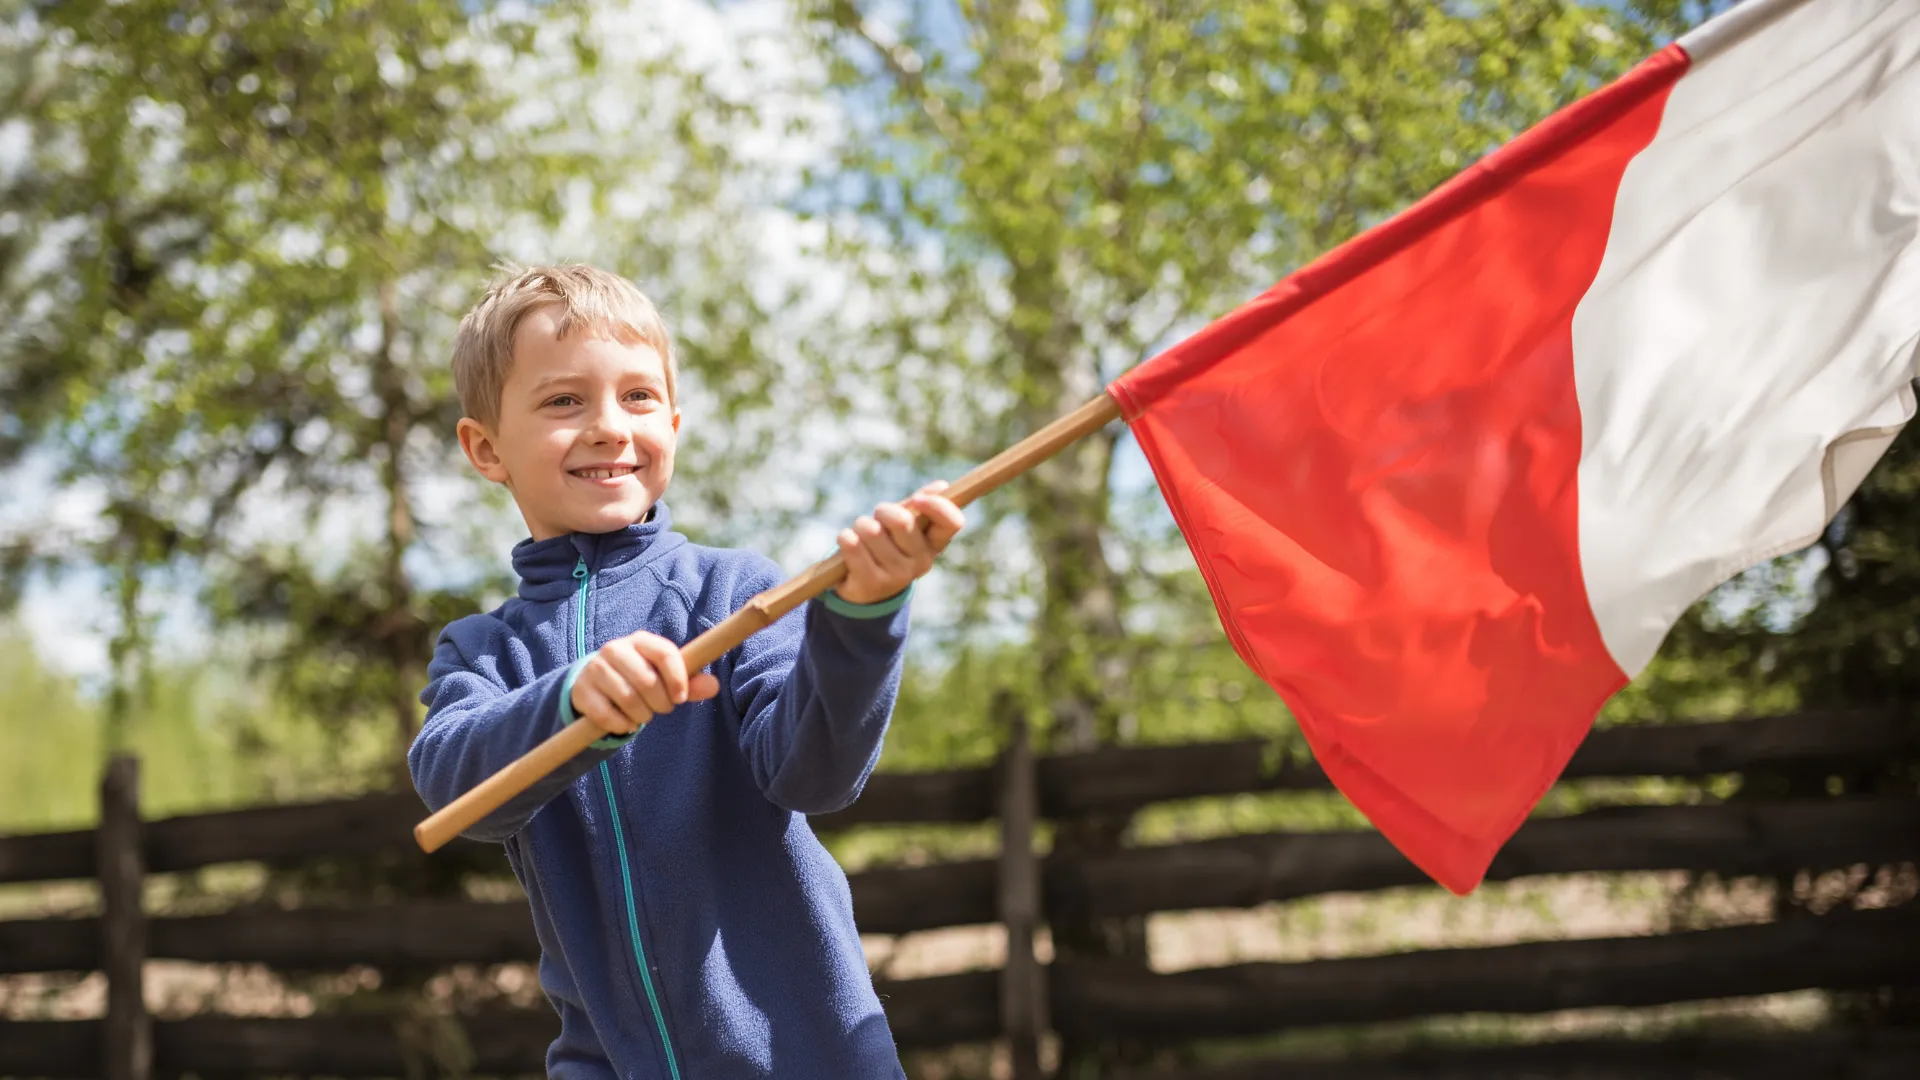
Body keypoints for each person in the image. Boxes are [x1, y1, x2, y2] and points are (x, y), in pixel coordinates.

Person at [408, 264, 965, 1079]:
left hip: (811, 1059)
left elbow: (816, 775)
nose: (608, 426)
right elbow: (456, 793)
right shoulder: (482, 652)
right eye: (565, 401)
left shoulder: (740, 592)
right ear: (486, 447)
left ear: (673, 421)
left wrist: (863, 615)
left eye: (637, 398)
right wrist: (570, 705)